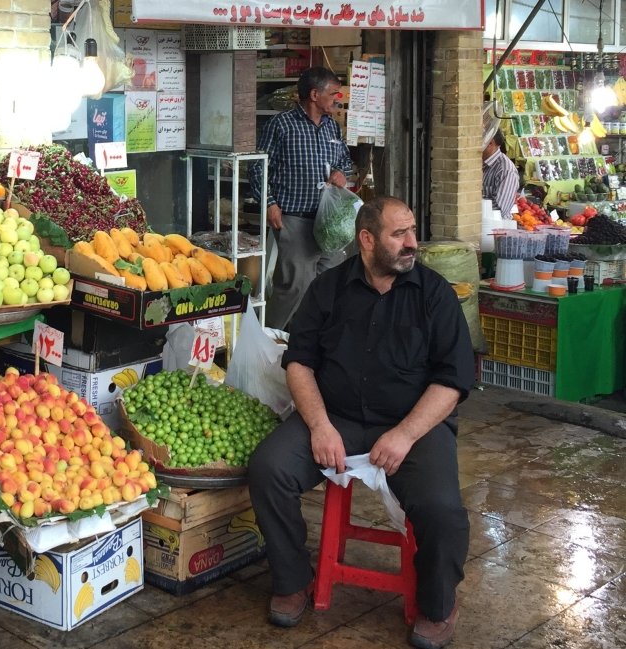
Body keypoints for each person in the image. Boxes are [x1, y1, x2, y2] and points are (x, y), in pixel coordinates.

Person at [248, 196, 475, 649]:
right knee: (268, 469)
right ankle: (293, 580)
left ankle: (437, 603)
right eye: (399, 234)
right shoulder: (329, 288)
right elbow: (299, 363)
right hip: (337, 418)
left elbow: (452, 382)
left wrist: (406, 434)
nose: (412, 243)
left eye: (412, 231)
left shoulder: (435, 295)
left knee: (441, 509)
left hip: (415, 426)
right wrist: (319, 425)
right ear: (367, 240)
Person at [249, 66, 354, 330]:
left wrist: (342, 172)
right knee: (294, 286)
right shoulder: (282, 124)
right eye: (333, 93)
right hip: (295, 219)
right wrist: (269, 203)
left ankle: (309, 341)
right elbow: (258, 167)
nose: (336, 99)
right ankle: (269, 338)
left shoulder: (331, 127)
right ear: (314, 94)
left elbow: (345, 161)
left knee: (328, 285)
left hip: (329, 222)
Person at [483, 128, 519, 217]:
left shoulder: (505, 170)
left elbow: (500, 209)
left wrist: (470, 209)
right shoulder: (480, 163)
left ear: (490, 143)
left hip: (494, 227)